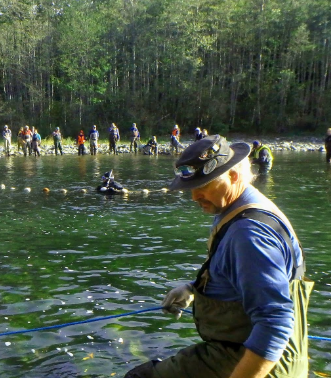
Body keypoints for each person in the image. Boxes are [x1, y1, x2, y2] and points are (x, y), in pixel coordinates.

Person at [125, 134, 312, 378]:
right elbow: (242, 274)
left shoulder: (249, 234)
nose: (194, 196)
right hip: (263, 351)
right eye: (191, 187)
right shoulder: (239, 205)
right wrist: (193, 288)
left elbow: (275, 322)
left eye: (203, 186)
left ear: (233, 176)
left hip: (258, 361)